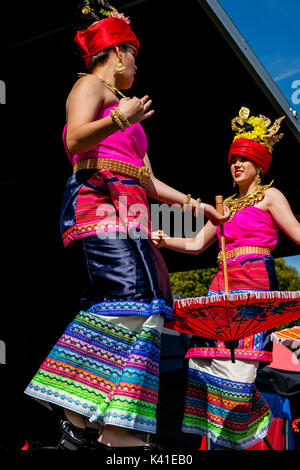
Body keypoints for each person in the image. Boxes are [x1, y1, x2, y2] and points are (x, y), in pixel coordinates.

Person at [24, 0, 229, 451]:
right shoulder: (88, 86)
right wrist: (120, 117)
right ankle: (75, 414)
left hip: (132, 212)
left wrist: (200, 207)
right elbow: (75, 138)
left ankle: (119, 431)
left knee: (154, 307)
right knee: (132, 297)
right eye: (134, 54)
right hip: (98, 205)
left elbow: (150, 181)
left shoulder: (130, 114)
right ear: (118, 52)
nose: (137, 64)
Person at [153, 106, 300, 450]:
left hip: (254, 292)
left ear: (259, 165)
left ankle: (251, 433)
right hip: (221, 290)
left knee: (240, 374)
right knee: (209, 369)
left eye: (244, 160)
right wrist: (162, 239)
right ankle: (230, 441)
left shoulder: (270, 197)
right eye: (233, 160)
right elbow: (194, 244)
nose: (236, 165)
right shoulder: (225, 207)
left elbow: (297, 233)